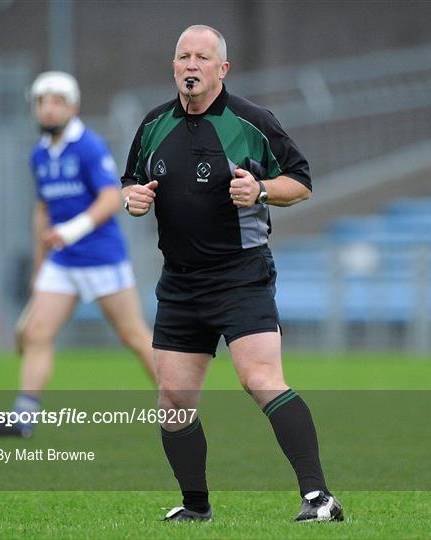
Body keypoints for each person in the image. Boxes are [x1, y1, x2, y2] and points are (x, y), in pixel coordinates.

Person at [122, 25, 343, 523]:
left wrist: (261, 191)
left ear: (222, 69)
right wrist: (129, 197)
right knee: (174, 400)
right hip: (179, 281)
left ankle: (320, 498)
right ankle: (197, 508)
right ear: (174, 66)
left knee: (259, 378)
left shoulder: (252, 121)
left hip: (240, 273)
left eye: (203, 57)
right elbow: (132, 179)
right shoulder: (154, 123)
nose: (191, 65)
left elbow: (301, 182)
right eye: (183, 56)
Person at [0, 71, 155, 437]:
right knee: (36, 334)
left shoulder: (88, 147)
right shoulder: (40, 154)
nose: (48, 109)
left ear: (73, 107)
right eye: (42, 102)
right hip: (61, 263)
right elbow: (42, 210)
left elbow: (111, 198)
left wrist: (72, 230)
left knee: (134, 336)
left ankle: (180, 407)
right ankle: (23, 419)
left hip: (102, 258)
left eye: (57, 101)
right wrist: (40, 266)